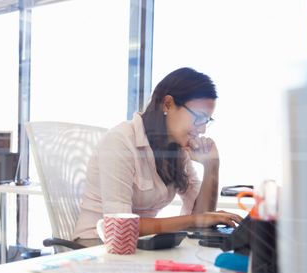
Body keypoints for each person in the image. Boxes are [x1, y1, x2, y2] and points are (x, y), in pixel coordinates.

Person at [73, 67, 243, 247]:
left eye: (206, 121)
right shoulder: (121, 141)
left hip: (139, 244)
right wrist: (193, 220)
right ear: (168, 104)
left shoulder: (176, 150)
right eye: (199, 118)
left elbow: (201, 219)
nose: (201, 129)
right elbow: (120, 226)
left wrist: (212, 167)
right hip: (95, 244)